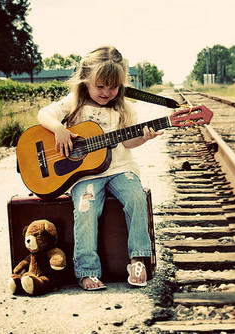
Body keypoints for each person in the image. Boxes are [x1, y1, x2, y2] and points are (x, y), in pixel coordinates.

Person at [37, 46, 162, 290]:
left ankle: (138, 259)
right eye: (100, 86)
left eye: (113, 87)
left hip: (120, 169)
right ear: (86, 81)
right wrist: (59, 129)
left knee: (137, 197)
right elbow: (44, 114)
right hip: (85, 175)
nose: (106, 92)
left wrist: (144, 137)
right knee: (85, 209)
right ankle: (87, 271)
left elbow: (128, 141)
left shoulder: (124, 108)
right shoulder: (74, 103)